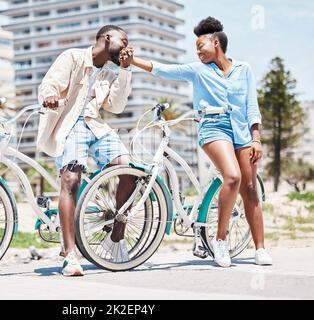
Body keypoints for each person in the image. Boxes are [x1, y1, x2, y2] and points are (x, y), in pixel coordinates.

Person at [128, 17, 273, 267]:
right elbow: (163, 69)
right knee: (232, 177)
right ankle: (220, 240)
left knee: (250, 190)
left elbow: (252, 106)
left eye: (200, 45)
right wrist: (133, 61)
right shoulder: (198, 70)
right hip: (213, 128)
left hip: (243, 133)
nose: (197, 51)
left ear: (216, 42)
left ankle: (260, 248)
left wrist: (256, 138)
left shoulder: (244, 69)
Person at [37, 25, 135, 276]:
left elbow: (116, 106)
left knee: (130, 171)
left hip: (96, 126)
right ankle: (70, 254)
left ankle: (115, 239)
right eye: (123, 40)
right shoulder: (72, 57)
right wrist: (49, 96)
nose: (126, 46)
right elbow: (49, 85)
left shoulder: (111, 72)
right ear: (106, 38)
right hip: (71, 125)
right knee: (70, 179)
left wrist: (125, 70)